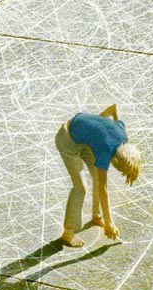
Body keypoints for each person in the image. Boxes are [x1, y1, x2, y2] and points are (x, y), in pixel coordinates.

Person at [54, 104, 141, 247]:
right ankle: (68, 233)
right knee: (80, 187)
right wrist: (109, 223)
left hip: (83, 139)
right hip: (67, 139)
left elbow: (114, 108)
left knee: (96, 175)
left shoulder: (122, 136)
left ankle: (96, 216)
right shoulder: (106, 150)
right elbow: (103, 188)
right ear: (115, 160)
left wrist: (96, 126)